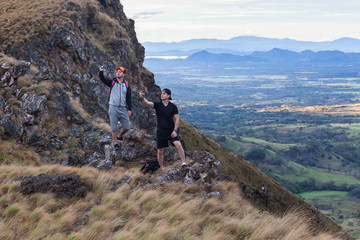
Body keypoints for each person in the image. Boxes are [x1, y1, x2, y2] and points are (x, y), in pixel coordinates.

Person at [139, 88, 188, 170]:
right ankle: (161, 167)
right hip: (161, 131)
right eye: (162, 93)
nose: (162, 94)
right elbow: (147, 103)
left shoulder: (173, 107)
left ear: (168, 96)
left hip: (171, 131)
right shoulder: (158, 105)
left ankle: (183, 163)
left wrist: (175, 130)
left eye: (164, 93)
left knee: (179, 145)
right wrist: (142, 97)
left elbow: (177, 119)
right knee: (160, 150)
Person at [99, 66, 132, 150]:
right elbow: (103, 79)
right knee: (114, 128)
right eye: (117, 71)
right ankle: (115, 144)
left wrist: (129, 109)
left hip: (122, 108)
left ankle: (119, 136)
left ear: (124, 74)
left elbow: (129, 98)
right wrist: (101, 72)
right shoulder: (112, 82)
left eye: (120, 72)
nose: (118, 73)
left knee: (127, 127)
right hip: (113, 107)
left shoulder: (127, 85)